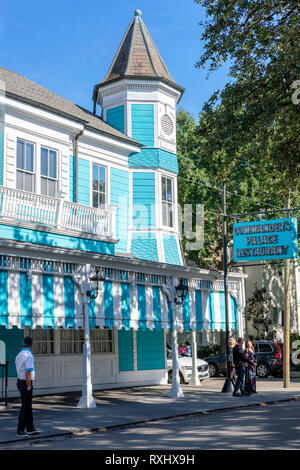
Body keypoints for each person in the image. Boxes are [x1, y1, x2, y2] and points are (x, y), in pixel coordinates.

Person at [15, 337, 40, 437]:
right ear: (31, 344)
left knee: (28, 406)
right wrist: (29, 386)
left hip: (19, 381)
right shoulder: (29, 356)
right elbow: (28, 372)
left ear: (23, 343)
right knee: (25, 407)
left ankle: (30, 428)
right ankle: (20, 430)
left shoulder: (19, 355)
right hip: (26, 383)